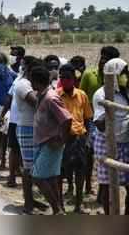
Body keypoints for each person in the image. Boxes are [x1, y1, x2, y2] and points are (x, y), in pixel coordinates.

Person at [31, 66, 72, 215]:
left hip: (51, 143)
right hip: (43, 142)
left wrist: (62, 140)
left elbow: (67, 119)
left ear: (37, 81)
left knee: (38, 177)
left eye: (31, 80)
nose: (30, 83)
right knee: (51, 178)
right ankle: (59, 210)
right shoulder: (41, 95)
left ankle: (56, 210)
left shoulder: (50, 97)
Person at [80, 46, 120, 195]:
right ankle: (88, 185)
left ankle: (103, 192)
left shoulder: (120, 79)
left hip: (113, 121)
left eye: (107, 58)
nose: (102, 61)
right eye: (102, 57)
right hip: (92, 119)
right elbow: (81, 96)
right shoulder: (89, 74)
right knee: (89, 153)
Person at [93, 58, 129, 215]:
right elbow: (99, 123)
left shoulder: (126, 91)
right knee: (108, 185)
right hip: (107, 142)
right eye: (123, 74)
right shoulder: (101, 94)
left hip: (126, 141)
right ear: (114, 75)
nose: (126, 77)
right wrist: (109, 113)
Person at [57, 64, 93, 213]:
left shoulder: (82, 95)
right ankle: (60, 206)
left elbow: (88, 118)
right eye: (62, 78)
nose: (65, 81)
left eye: (68, 78)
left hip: (79, 138)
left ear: (74, 79)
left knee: (80, 172)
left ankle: (78, 205)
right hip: (63, 140)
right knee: (60, 173)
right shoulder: (56, 95)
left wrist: (87, 139)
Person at [14, 56, 47, 214]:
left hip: (37, 128)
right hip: (27, 128)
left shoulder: (33, 85)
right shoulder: (23, 85)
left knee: (36, 167)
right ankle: (28, 203)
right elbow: (36, 102)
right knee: (29, 168)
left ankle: (32, 200)